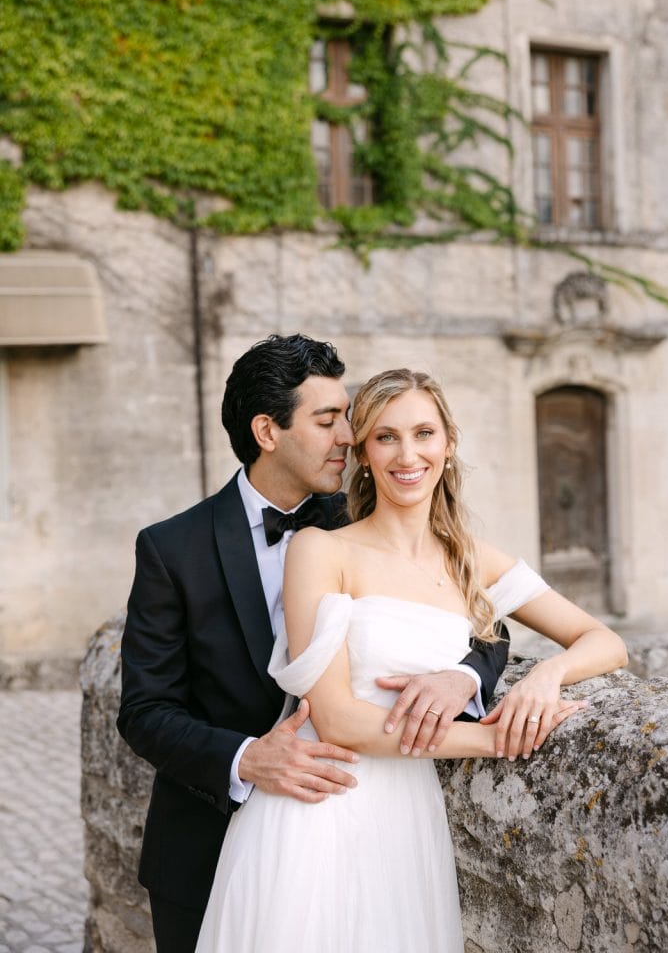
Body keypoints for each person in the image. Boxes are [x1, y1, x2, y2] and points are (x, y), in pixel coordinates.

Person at [195, 368, 628, 953]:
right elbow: (337, 718)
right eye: (386, 437)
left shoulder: (476, 561)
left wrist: (547, 675)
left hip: (409, 816)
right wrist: (495, 740)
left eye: (424, 433)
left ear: (448, 445)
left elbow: (604, 641)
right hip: (318, 808)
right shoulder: (321, 549)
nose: (407, 455)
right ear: (364, 453)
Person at [117, 337, 509, 953]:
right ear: (267, 432)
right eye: (328, 421)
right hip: (204, 844)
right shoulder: (172, 549)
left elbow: (482, 618)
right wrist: (248, 758)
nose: (350, 437)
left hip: (357, 837)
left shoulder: (367, 517)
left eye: (347, 418)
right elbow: (145, 710)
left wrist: (462, 676)